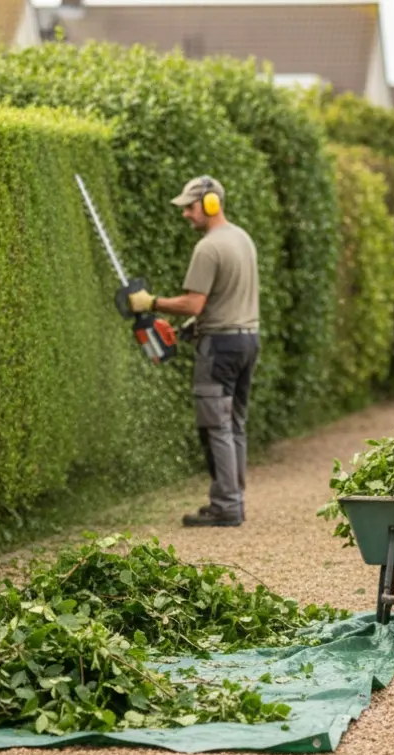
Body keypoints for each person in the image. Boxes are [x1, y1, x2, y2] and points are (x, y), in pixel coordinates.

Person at [126, 175, 261, 528]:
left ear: (211, 203)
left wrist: (150, 302)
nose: (186, 213)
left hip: (219, 349)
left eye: (190, 206)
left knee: (215, 426)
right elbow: (224, 300)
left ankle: (227, 505)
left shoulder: (208, 247)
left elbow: (193, 303)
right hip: (247, 340)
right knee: (234, 424)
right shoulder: (242, 238)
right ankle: (232, 499)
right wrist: (190, 331)